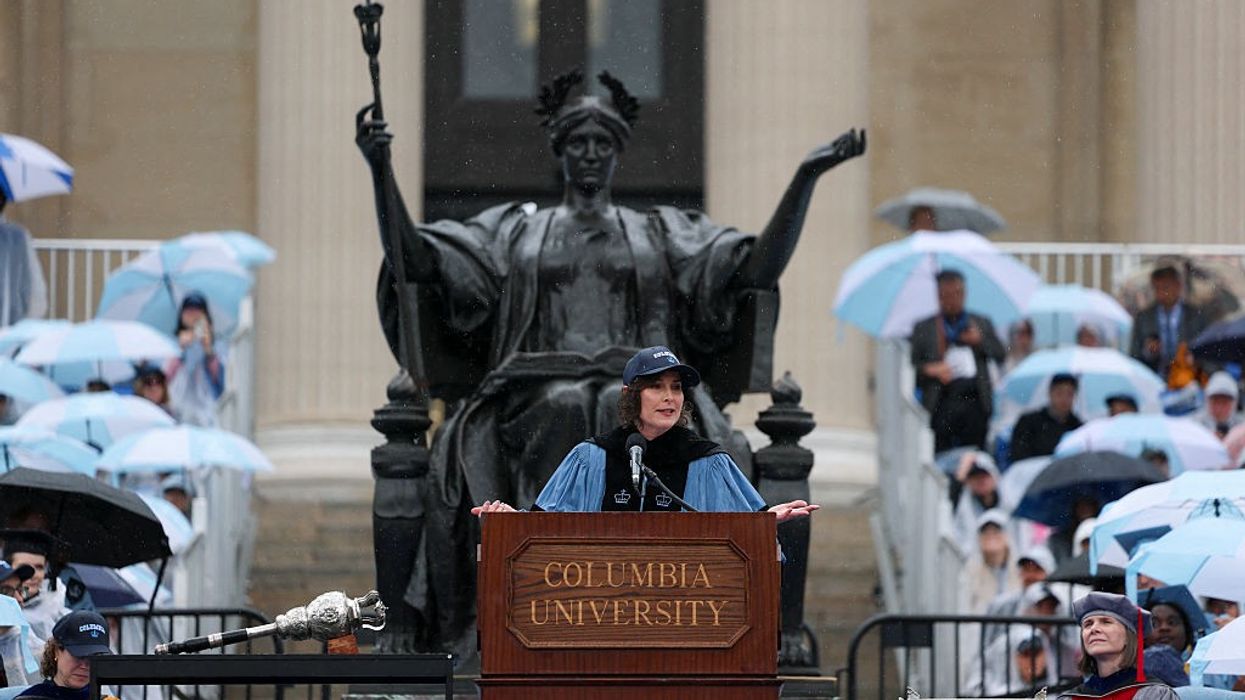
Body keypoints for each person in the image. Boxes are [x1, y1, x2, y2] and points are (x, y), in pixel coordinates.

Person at [358, 70, 862, 649]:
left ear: (620, 152)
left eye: (603, 143)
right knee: (572, 402)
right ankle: (545, 586)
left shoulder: (660, 232)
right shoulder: (517, 232)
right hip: (535, 389)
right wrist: (381, 172)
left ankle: (641, 582)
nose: (592, 153)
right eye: (579, 142)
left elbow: (752, 272)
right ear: (559, 150)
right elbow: (420, 262)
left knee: (609, 405)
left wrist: (804, 180)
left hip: (634, 384)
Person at [472, 346, 818, 521]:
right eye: (656, 386)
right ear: (631, 395)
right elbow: (546, 531)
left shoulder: (708, 462)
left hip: (682, 615)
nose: (670, 397)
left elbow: (743, 535)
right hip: (601, 613)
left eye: (676, 387)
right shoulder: (591, 458)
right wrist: (512, 522)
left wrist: (766, 522)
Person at [911, 269, 1006, 454]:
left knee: (974, 454)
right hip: (942, 400)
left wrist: (980, 341)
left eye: (958, 293)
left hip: (975, 401)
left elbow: (1000, 354)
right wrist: (931, 370)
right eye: (948, 295)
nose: (953, 300)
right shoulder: (926, 327)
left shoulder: (980, 322)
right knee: (942, 453)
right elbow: (913, 367)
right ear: (939, 296)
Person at [1060, 592, 1179, 700]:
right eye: (1088, 624)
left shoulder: (1155, 694)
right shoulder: (1071, 698)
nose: (1094, 629)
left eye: (1106, 622)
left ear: (1128, 637)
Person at [1130, 260, 1209, 385]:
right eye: (1156, 288)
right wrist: (1148, 351)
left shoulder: (1196, 316)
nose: (1160, 293)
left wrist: (1192, 357)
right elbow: (1134, 355)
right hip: (1153, 379)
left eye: (1165, 288)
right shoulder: (1143, 317)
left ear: (1178, 286)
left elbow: (1206, 352)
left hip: (1188, 380)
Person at [15, 611, 113, 700]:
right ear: (56, 651)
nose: (85, 666)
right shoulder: (30, 698)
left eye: (94, 657)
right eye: (78, 656)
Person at [165, 292, 224, 427]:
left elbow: (221, 383)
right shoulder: (171, 345)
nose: (193, 315)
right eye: (188, 311)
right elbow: (165, 378)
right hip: (177, 413)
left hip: (208, 416)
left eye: (197, 311)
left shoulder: (218, 346)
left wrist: (208, 351)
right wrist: (180, 351)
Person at [1010, 373, 1084, 463]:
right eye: (1059, 393)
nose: (1064, 398)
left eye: (1069, 394)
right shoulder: (1029, 422)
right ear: (1050, 393)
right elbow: (1018, 455)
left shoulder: (1079, 428)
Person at [0, 192, 48, 328]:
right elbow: (37, 295)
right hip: (13, 329)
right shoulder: (18, 236)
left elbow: (36, 294)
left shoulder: (17, 237)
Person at [964, 509, 1020, 614]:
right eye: (985, 532)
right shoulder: (969, 572)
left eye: (996, 531)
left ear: (1007, 536)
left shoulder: (1019, 571)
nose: (990, 535)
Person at [1195, 371, 1241, 439]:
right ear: (1207, 402)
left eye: (1224, 403)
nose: (1219, 408)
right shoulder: (1194, 427)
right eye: (1215, 402)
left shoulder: (1241, 429)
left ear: (1234, 404)